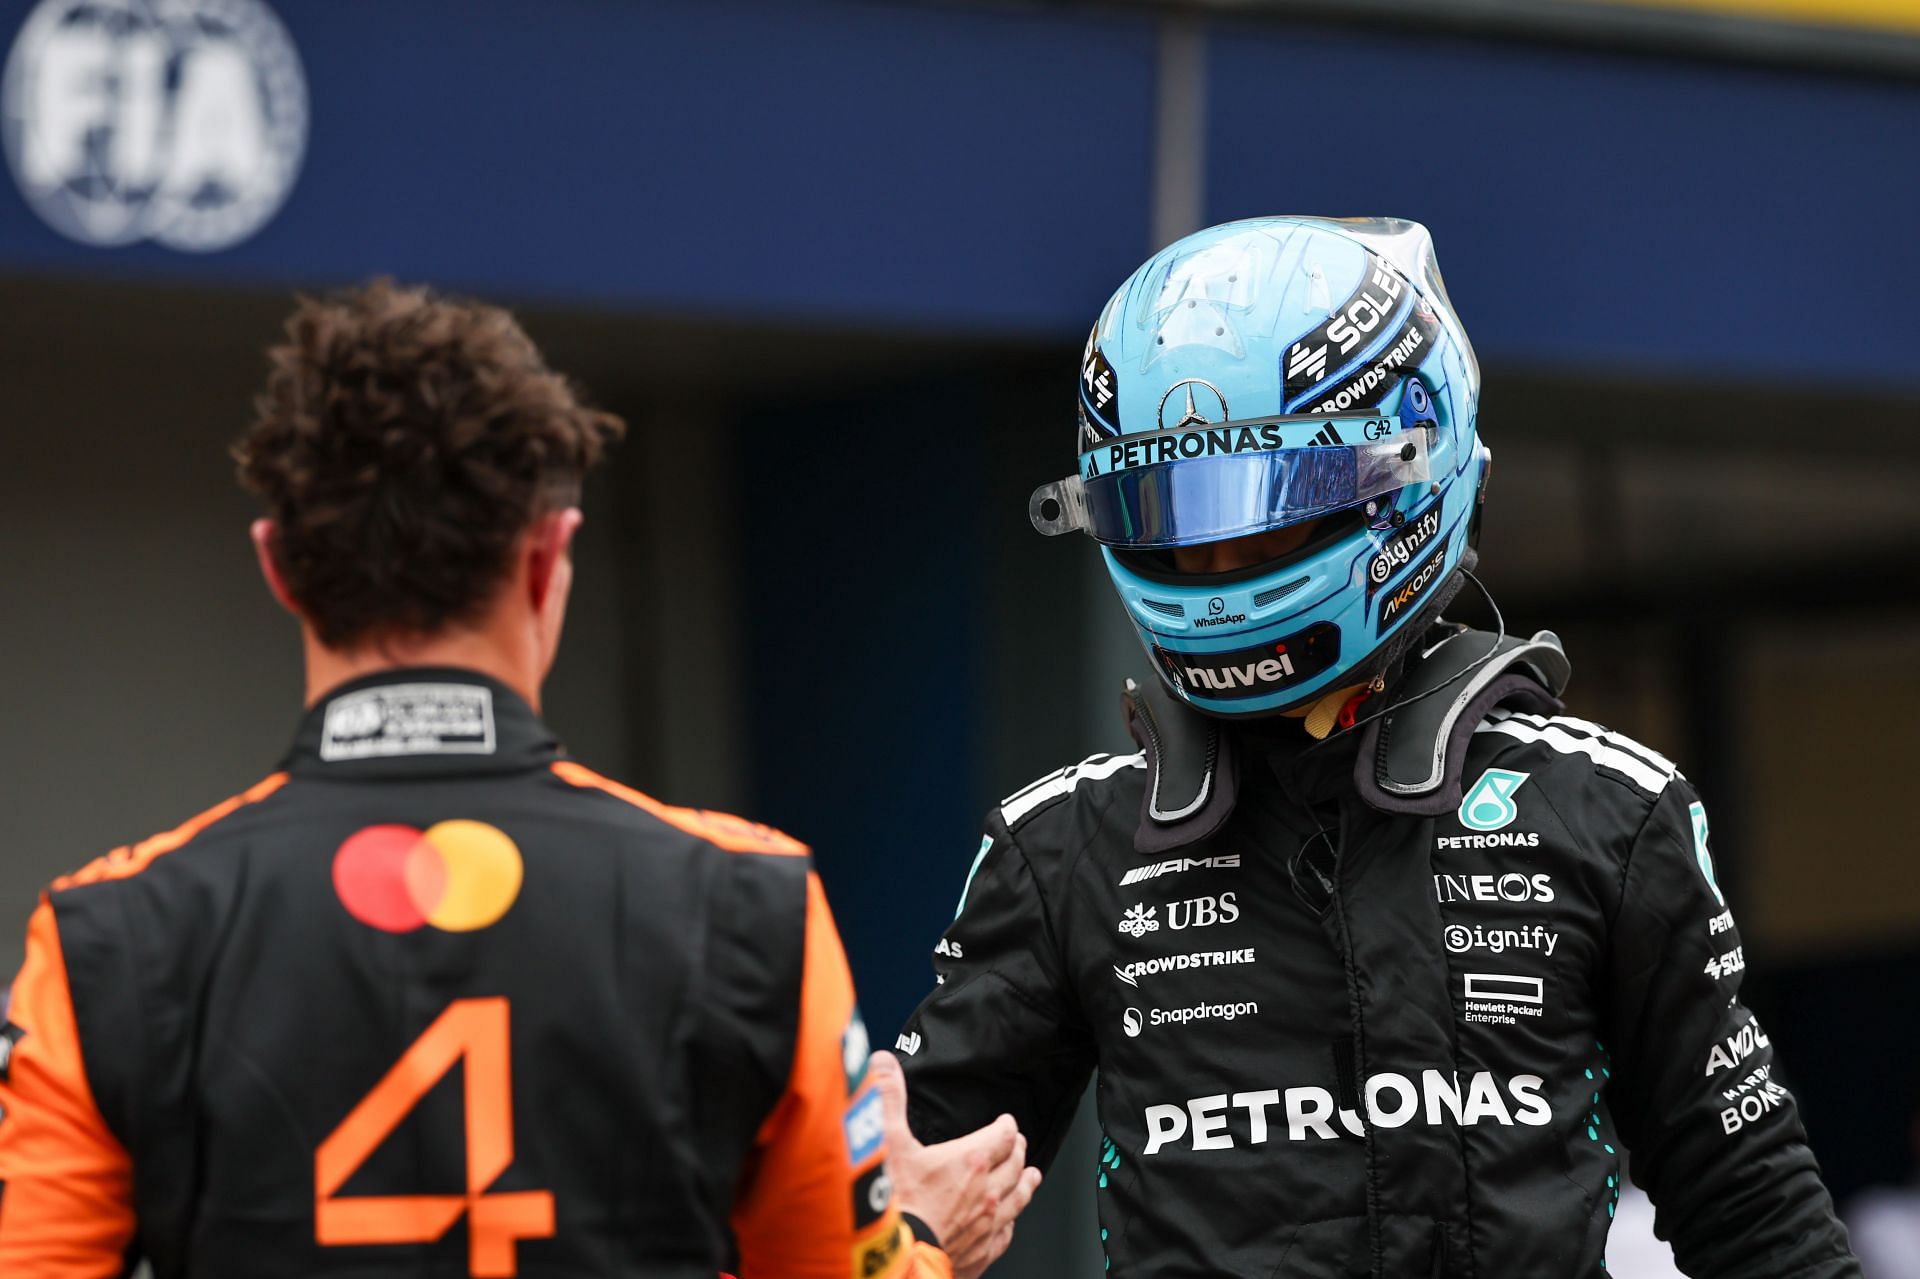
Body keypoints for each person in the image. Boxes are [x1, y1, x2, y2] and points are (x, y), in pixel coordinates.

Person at [0, 281, 1037, 1279]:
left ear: (279, 566)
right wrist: (916, 1236)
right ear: (549, 557)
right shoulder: (749, 904)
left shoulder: (105, 940)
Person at [892, 217, 1860, 1276]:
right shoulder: (1066, 848)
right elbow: (882, 1200)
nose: (1215, 563)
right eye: (1169, 515)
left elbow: (1759, 1215)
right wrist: (892, 1238)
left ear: (1416, 470)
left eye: (1266, 513)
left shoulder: (1607, 811)